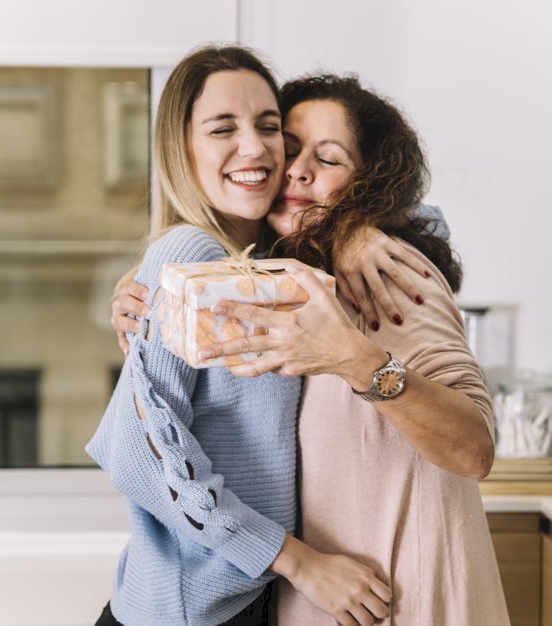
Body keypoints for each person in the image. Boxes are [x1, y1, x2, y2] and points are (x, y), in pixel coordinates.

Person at [114, 73, 510, 625]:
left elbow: (474, 450)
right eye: (292, 149)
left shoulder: (378, 274)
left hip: (389, 597)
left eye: (327, 159)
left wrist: (358, 247)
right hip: (244, 602)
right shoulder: (246, 271)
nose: (295, 168)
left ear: (368, 184)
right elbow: (139, 450)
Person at [87, 45, 393, 626]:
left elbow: (434, 223)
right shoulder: (187, 256)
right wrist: (299, 562)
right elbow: (138, 455)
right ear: (182, 149)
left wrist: (361, 230)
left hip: (242, 601)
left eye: (269, 126)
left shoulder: (271, 264)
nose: (254, 147)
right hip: (191, 612)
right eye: (223, 127)